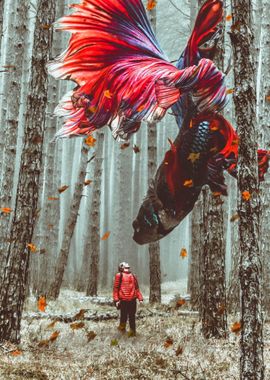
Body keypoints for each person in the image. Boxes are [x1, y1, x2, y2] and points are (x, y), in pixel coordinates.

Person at [113, 262, 143, 336]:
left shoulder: (133, 276)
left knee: (132, 317)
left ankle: (132, 333)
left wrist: (140, 298)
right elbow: (115, 289)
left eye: (127, 266)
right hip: (123, 300)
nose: (127, 265)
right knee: (123, 317)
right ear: (121, 268)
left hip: (132, 300)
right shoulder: (119, 275)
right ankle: (121, 333)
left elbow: (137, 289)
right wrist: (116, 300)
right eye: (124, 265)